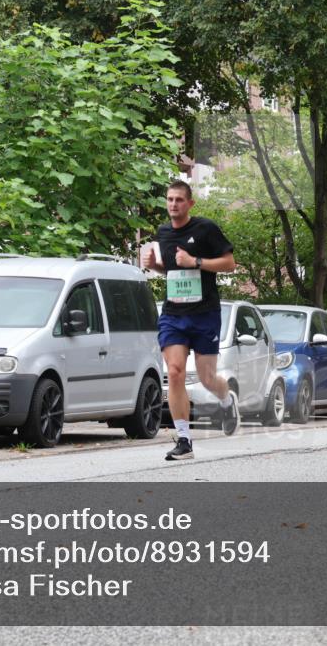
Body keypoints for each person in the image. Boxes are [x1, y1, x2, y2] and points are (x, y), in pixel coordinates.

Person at [142, 180, 238, 460]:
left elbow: (230, 263)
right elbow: (173, 270)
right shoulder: (163, 233)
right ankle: (184, 440)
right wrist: (156, 266)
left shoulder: (205, 228)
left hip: (204, 313)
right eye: (170, 199)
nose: (173, 204)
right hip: (174, 314)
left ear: (190, 203)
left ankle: (226, 398)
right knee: (174, 372)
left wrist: (196, 262)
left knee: (207, 378)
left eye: (179, 200)